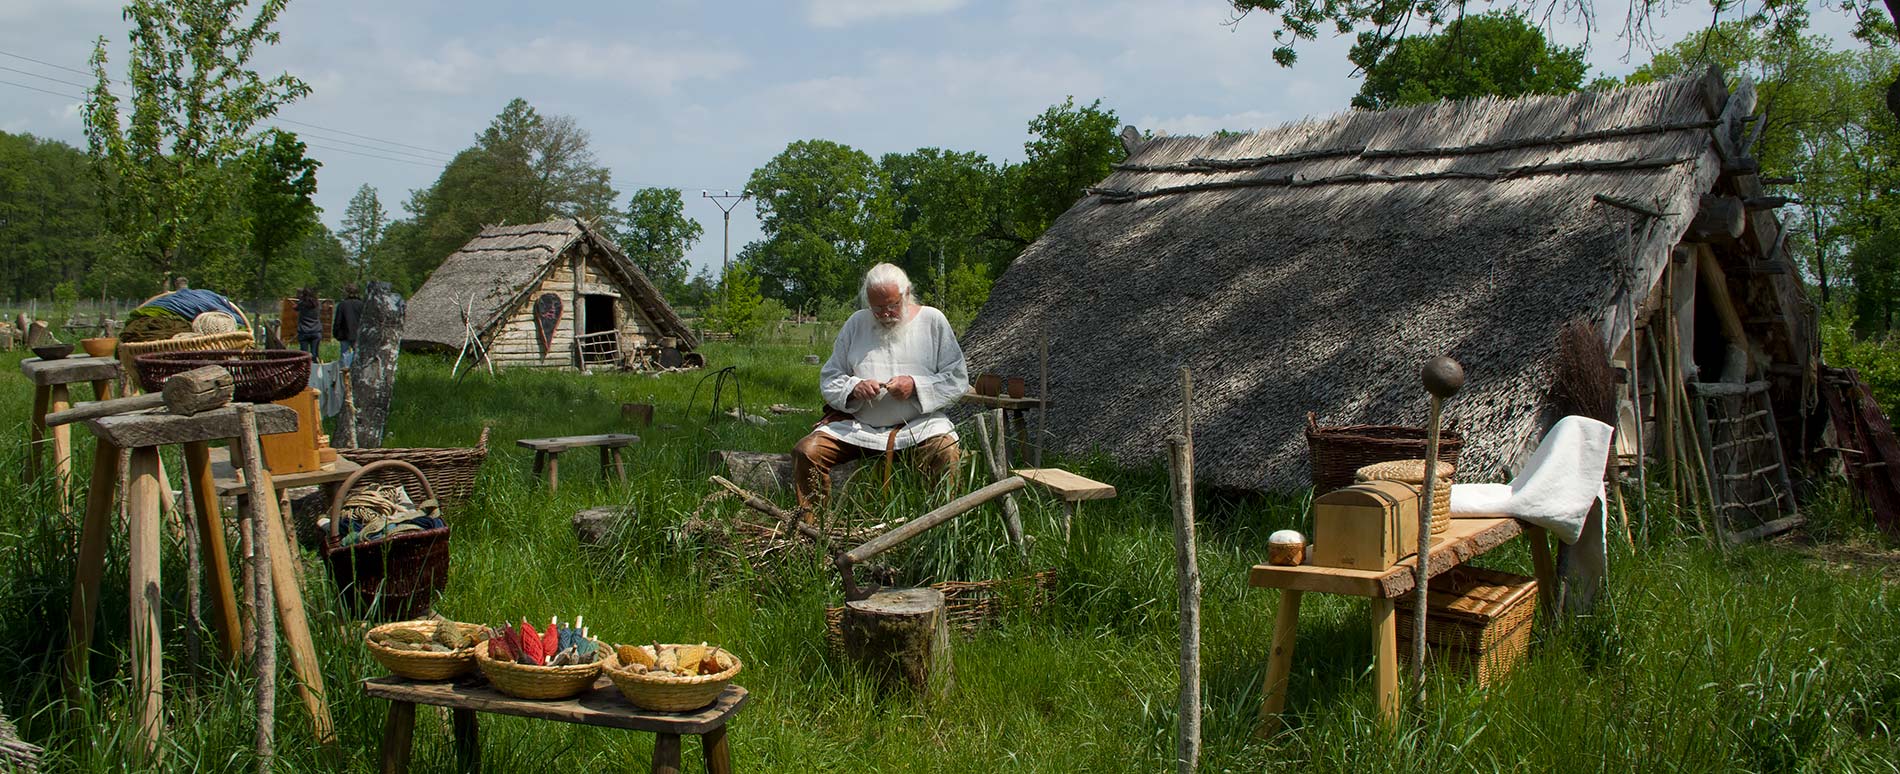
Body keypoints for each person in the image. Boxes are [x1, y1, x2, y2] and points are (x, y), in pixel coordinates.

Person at [792, 263, 970, 510]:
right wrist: (854, 388)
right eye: (878, 308)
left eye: (893, 305)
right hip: (859, 429)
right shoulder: (856, 323)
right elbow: (830, 377)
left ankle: (940, 528)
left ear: (906, 294)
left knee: (945, 452)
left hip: (920, 428)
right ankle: (812, 527)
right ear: (868, 302)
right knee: (807, 451)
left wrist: (915, 386)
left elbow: (957, 378)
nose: (886, 314)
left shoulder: (932, 321)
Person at [333, 283, 364, 368]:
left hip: (344, 334)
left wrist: (336, 333)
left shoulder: (342, 305)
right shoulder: (362, 305)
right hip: (358, 334)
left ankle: (343, 378)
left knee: (344, 357)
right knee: (357, 357)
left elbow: (338, 321)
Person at [294, 287, 321, 357]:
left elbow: (295, 307)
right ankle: (315, 366)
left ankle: (306, 367)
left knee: (304, 356)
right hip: (316, 331)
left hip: (304, 331)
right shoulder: (317, 304)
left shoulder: (302, 304)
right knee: (315, 354)